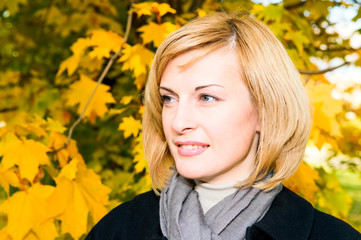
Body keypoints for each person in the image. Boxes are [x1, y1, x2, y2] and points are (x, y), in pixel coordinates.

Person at [86, 12, 361, 240]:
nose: (179, 122)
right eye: (168, 98)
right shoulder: (118, 229)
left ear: (266, 111)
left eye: (207, 97)